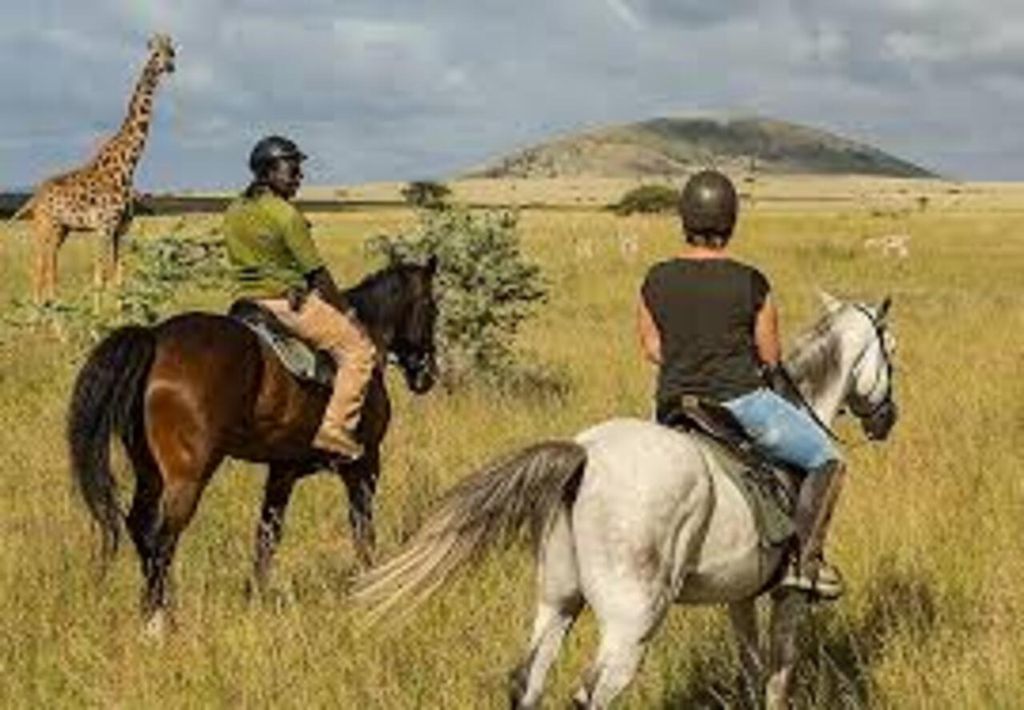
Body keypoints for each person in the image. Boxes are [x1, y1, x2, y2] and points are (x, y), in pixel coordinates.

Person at [636, 169, 845, 599]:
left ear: (684, 220)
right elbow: (770, 356)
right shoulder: (751, 281)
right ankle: (803, 564)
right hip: (739, 403)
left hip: (673, 405)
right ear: (731, 222)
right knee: (829, 459)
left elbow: (653, 349)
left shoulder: (655, 278)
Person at [223, 135, 375, 462]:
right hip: (285, 304)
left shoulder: (234, 209)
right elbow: (316, 274)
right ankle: (335, 429)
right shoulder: (286, 215)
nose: (299, 177)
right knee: (359, 351)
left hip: (245, 304)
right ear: (268, 173)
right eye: (292, 170)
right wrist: (348, 314)